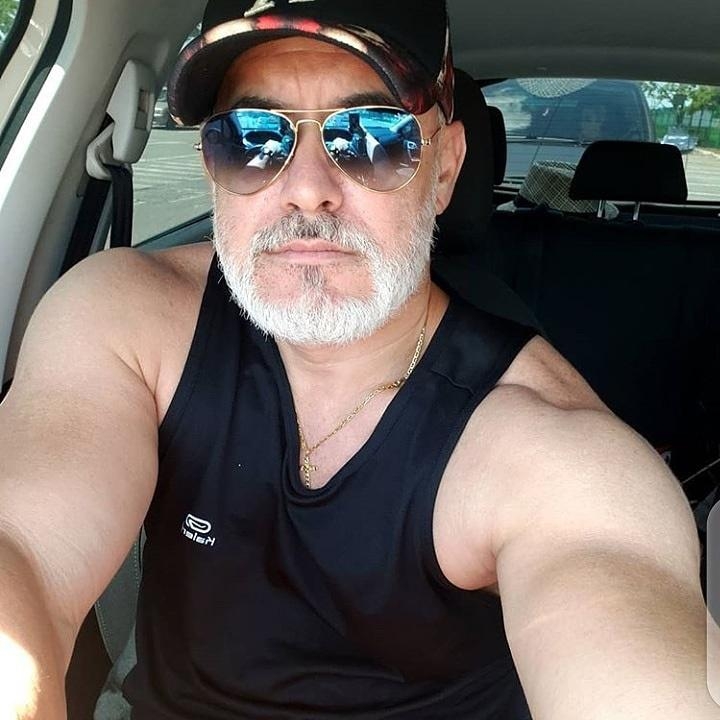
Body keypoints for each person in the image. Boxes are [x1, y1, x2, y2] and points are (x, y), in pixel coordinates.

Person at [0, 0, 717, 718]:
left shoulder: (548, 451)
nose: (306, 188)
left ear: (444, 170)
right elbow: (20, 546)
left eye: (372, 135)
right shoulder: (125, 318)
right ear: (212, 169)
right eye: (251, 137)